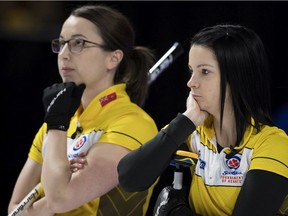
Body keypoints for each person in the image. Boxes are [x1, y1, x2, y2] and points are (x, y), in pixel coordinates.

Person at [117, 24, 288, 215]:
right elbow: (129, 178)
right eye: (191, 71)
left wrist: (177, 214)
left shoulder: (274, 144)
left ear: (236, 77)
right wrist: (186, 120)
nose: (191, 82)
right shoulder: (192, 131)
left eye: (204, 72)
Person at [8, 4, 158, 216]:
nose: (64, 54)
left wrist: (56, 184)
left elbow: (60, 200)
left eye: (79, 43)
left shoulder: (132, 124)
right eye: (62, 44)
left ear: (113, 58)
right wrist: (59, 177)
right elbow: (15, 210)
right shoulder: (56, 126)